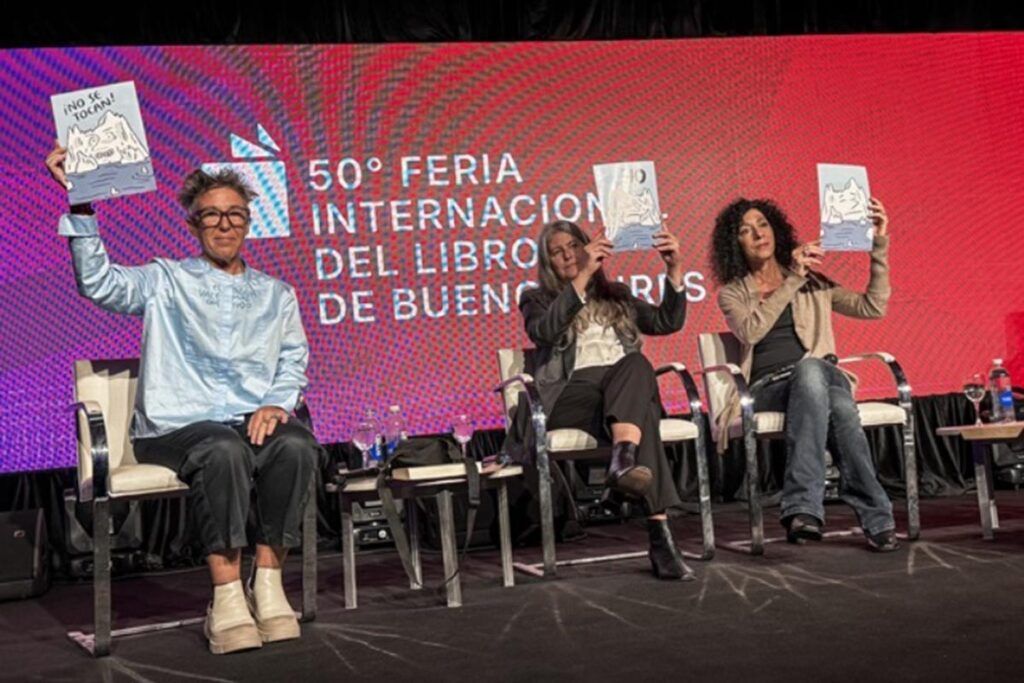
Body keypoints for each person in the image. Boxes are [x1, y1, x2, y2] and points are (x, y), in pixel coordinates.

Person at [46, 144, 322, 654]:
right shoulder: (165, 279)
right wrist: (81, 205)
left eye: (234, 214)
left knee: (297, 445)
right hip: (176, 429)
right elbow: (99, 284)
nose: (224, 224)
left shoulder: (277, 293)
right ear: (194, 226)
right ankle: (225, 599)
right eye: (211, 216)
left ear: (247, 223)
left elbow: (292, 361)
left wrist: (277, 403)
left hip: (246, 421)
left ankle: (267, 585)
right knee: (223, 449)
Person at [710, 197, 899, 552]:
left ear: (776, 230)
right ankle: (878, 518)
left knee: (814, 370)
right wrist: (792, 279)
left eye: (762, 225)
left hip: (820, 376)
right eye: (745, 231)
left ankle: (802, 509)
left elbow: (871, 307)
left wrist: (878, 244)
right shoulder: (733, 293)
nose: (757, 234)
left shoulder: (813, 282)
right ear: (734, 243)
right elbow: (751, 332)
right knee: (840, 408)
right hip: (767, 387)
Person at [513, 219, 693, 579]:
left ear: (588, 247)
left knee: (636, 365)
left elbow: (665, 322)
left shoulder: (619, 295)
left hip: (618, 397)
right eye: (557, 252)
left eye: (573, 247)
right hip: (569, 399)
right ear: (548, 262)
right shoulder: (536, 298)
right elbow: (545, 331)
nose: (568, 255)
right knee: (637, 403)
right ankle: (657, 533)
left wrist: (673, 268)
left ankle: (623, 463)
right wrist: (580, 280)